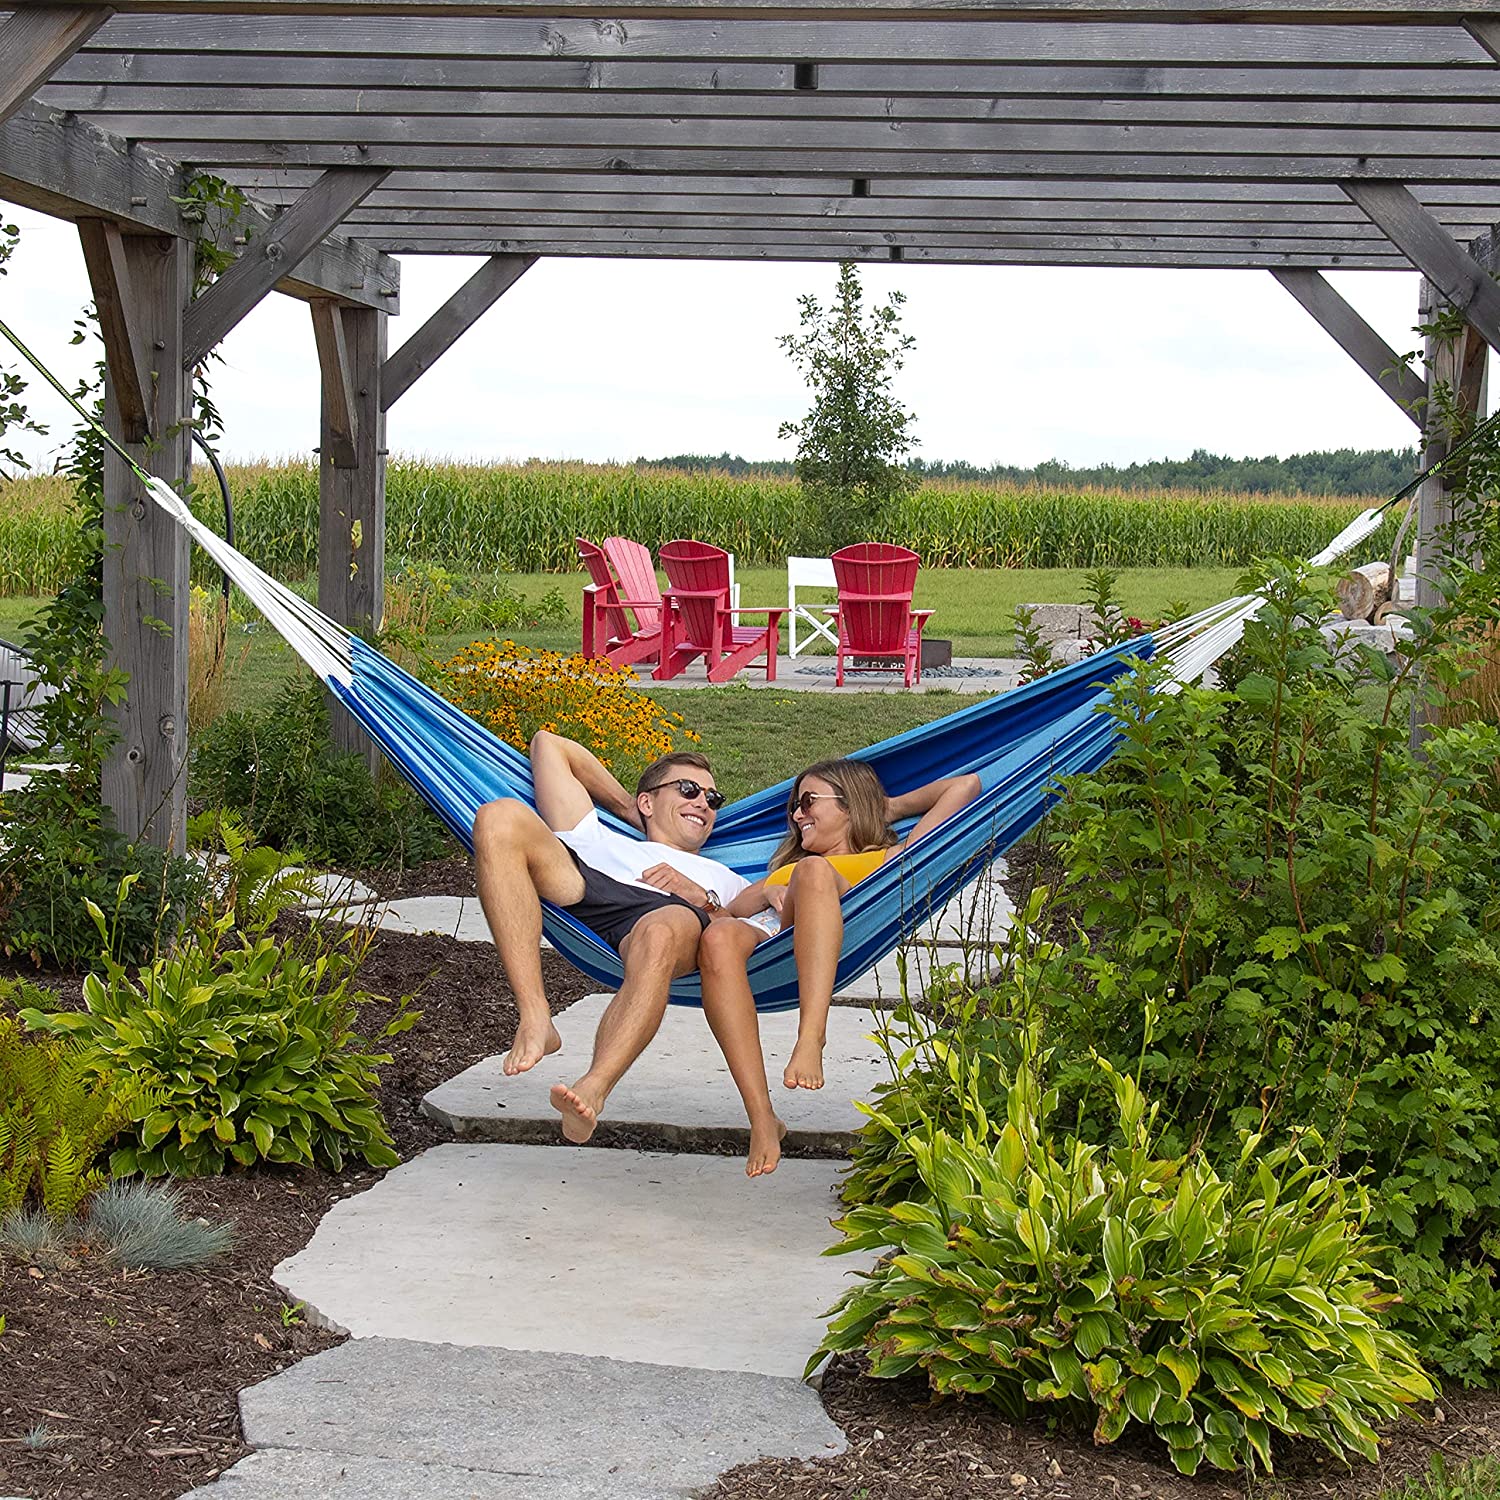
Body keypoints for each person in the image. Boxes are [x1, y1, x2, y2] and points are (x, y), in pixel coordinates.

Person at [699, 759, 982, 1178]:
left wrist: (887, 807)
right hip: (771, 932)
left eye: (808, 802)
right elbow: (731, 911)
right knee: (718, 936)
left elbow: (966, 785)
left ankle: (812, 1035)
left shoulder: (891, 858)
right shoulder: (786, 867)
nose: (798, 815)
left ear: (849, 805)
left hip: (825, 926)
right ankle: (762, 1117)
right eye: (795, 806)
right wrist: (772, 890)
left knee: (814, 871)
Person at [473, 731, 749, 1145]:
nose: (703, 803)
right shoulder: (596, 834)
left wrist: (702, 898)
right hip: (586, 880)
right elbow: (549, 744)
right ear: (648, 801)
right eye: (688, 790)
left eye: (713, 799)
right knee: (498, 816)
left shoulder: (725, 878)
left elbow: (753, 933)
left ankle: (593, 1088)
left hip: (667, 913)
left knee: (659, 932)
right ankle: (535, 1016)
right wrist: (627, 809)